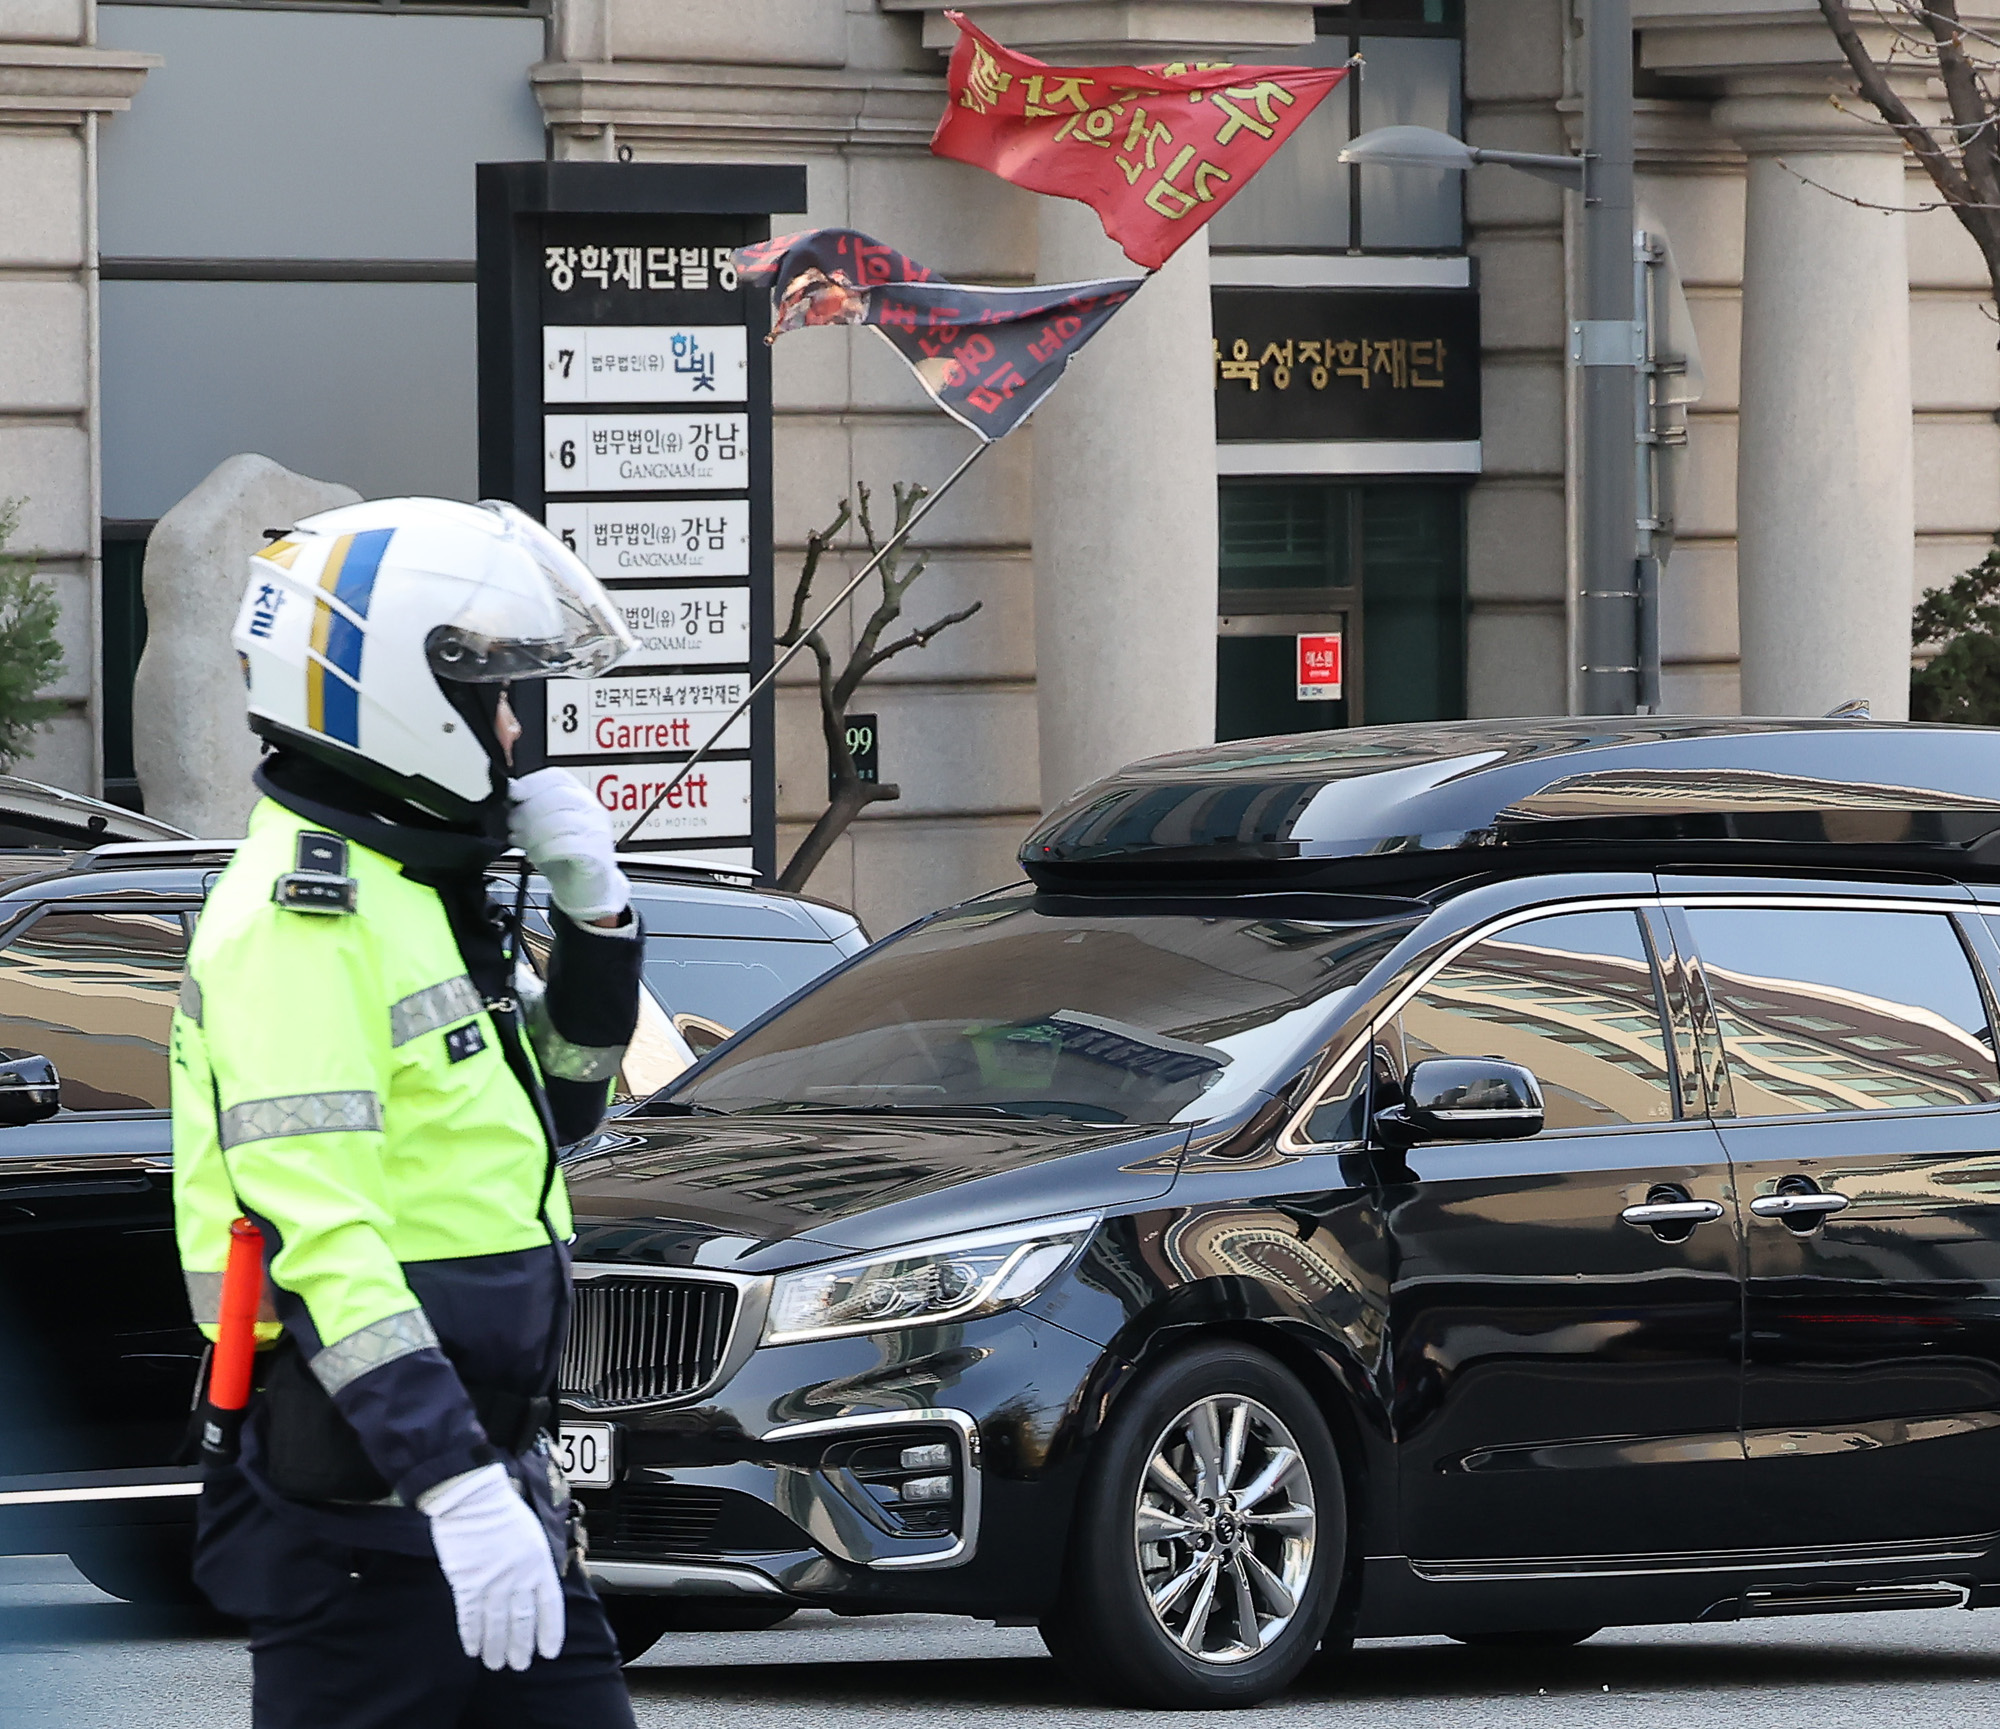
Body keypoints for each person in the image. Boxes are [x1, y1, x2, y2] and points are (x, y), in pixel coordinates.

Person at [170, 496, 647, 1726]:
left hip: (488, 1482)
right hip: (376, 1518)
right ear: (398, 694)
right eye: (491, 695)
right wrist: (452, 1487)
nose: (510, 727)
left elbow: (568, 1107)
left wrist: (595, 923)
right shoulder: (299, 918)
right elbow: (317, 1243)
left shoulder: (411, 888)